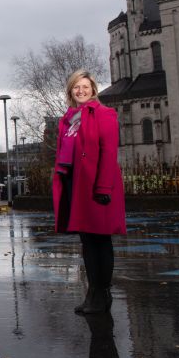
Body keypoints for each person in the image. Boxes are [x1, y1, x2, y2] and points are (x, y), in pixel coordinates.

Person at [53, 69, 125, 314]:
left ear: (93, 89)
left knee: (100, 239)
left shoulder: (104, 114)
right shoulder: (69, 118)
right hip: (76, 183)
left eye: (85, 86)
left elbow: (109, 151)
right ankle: (93, 293)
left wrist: (103, 186)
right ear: (70, 91)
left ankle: (102, 294)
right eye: (76, 87)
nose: (81, 91)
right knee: (87, 241)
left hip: (97, 184)